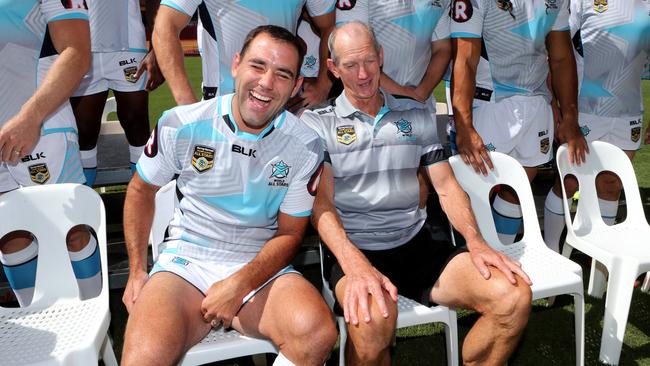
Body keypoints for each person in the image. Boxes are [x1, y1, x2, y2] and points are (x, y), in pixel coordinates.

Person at [303, 21, 532, 366]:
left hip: (415, 244)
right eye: (350, 65)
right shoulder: (315, 123)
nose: (363, 74)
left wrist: (476, 241)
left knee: (513, 296)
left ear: (381, 57)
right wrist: (357, 267)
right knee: (372, 323)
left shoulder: (420, 112)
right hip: (354, 252)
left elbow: (446, 186)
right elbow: (321, 206)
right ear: (333, 69)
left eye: (368, 61)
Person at [121, 25, 337, 366]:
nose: (266, 83)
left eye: (283, 74)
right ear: (236, 65)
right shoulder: (182, 123)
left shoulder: (305, 145)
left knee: (316, 333)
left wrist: (238, 284)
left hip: (257, 266)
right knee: (143, 360)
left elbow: (291, 233)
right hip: (185, 262)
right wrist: (136, 271)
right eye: (258, 66)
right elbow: (139, 189)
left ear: (297, 86)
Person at [450, 0, 588, 245]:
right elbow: (466, 59)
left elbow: (561, 58)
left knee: (518, 188)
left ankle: (502, 252)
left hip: (535, 102)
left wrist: (569, 115)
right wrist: (464, 124)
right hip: (490, 102)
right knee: (475, 194)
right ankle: (470, 268)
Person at [0, 0, 102, 307]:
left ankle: (91, 330)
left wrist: (30, 117)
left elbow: (77, 52)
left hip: (39, 128)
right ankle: (36, 323)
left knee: (69, 232)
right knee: (10, 236)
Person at [543, 0, 650, 252]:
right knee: (570, 183)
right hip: (584, 109)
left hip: (628, 111)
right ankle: (550, 251)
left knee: (612, 185)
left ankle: (601, 260)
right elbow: (558, 55)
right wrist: (557, 107)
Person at [153, 0, 335, 107]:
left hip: (281, 107)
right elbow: (165, 25)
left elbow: (329, 26)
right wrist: (186, 105)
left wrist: (323, 85)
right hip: (222, 104)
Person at [70, 0, 164, 187]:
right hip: (81, 46)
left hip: (129, 46)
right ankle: (84, 202)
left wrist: (157, 47)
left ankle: (142, 195)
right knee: (84, 132)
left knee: (136, 123)